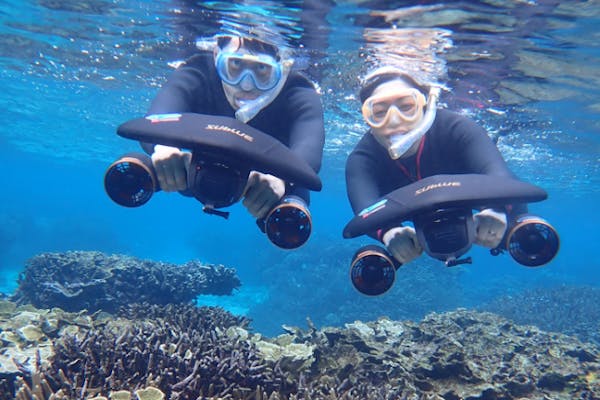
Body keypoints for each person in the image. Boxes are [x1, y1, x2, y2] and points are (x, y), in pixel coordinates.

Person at [345, 66, 526, 266]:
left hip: (475, 193)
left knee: (520, 218)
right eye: (379, 112)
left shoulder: (458, 128)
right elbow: (365, 212)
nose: (394, 120)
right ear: (367, 119)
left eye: (406, 107)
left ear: (426, 106)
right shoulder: (362, 159)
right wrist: (388, 232)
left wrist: (496, 208)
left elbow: (500, 176)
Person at [141, 34, 325, 220]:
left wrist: (284, 179)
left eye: (262, 68)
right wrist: (162, 147)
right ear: (215, 56)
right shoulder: (198, 72)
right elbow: (155, 119)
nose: (246, 85)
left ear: (284, 69)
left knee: (295, 199)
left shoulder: (298, 93)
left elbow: (309, 154)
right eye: (235, 64)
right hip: (192, 170)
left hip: (265, 182)